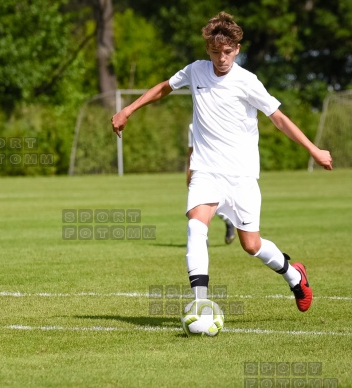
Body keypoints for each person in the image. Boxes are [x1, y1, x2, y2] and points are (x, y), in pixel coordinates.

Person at [111, 12, 332, 312]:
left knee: (251, 245)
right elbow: (164, 87)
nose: (221, 58)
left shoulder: (248, 82)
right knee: (195, 227)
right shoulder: (196, 71)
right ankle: (200, 304)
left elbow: (278, 119)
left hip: (240, 176)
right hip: (206, 170)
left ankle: (295, 276)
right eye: (215, 52)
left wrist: (313, 149)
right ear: (208, 50)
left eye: (227, 52)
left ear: (237, 50)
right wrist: (128, 110)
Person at [187, 123, 236, 245]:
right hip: (201, 171)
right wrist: (188, 173)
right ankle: (203, 238)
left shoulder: (222, 123)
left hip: (221, 170)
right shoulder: (193, 127)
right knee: (195, 206)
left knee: (215, 203)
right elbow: (191, 152)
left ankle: (228, 221)